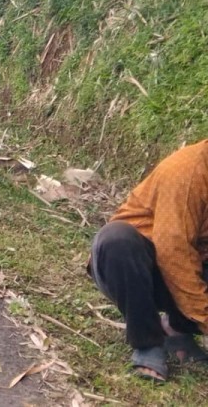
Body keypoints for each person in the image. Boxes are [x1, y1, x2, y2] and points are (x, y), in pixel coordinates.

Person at [88, 140, 208, 382]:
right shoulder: (186, 171)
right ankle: (147, 341)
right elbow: (173, 252)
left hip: (193, 264)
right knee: (117, 240)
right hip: (137, 266)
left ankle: (176, 328)